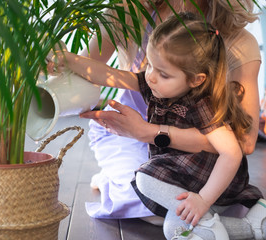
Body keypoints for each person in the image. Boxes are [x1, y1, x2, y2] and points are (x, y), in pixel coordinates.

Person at [48, 12, 265, 240]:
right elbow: (110, 75)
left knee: (145, 178)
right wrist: (70, 59)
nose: (151, 77)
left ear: (196, 79)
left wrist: (203, 200)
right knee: (173, 230)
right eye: (150, 65)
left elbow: (232, 154)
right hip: (184, 178)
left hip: (210, 183)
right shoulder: (158, 84)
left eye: (163, 74)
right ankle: (252, 227)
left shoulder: (202, 104)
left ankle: (209, 220)